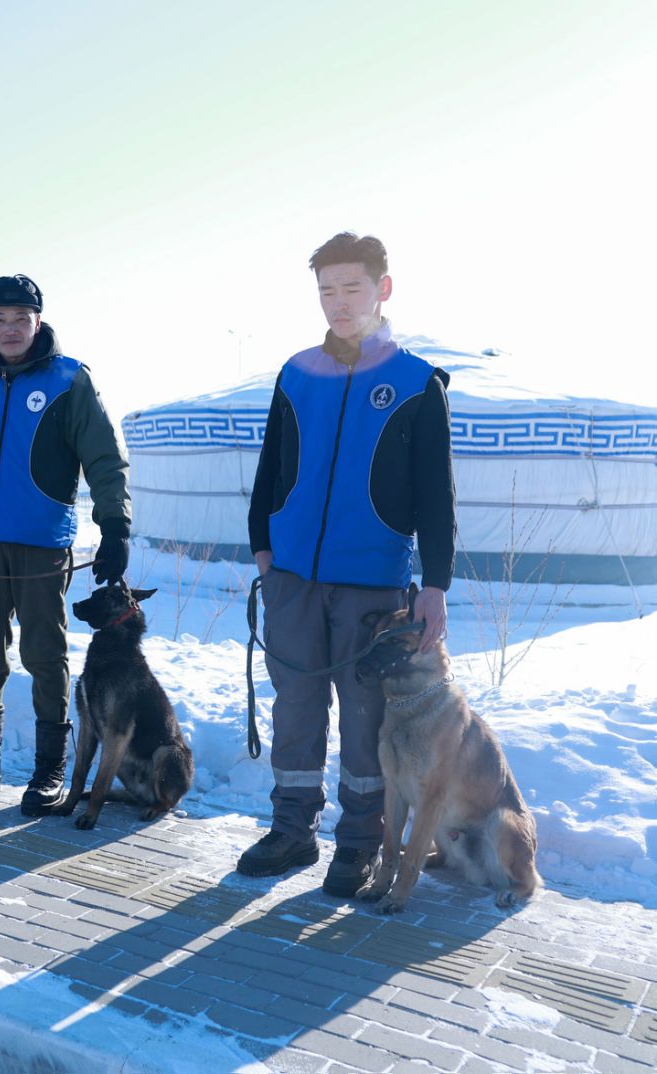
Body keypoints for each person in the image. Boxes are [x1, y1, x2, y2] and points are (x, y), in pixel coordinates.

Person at [239, 231, 455, 898]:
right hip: (294, 575)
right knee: (295, 707)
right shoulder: (297, 371)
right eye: (327, 290)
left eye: (351, 288)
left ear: (382, 289)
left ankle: (360, 843)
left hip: (372, 581)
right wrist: (263, 546)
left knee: (364, 718)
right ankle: (292, 829)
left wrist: (437, 586)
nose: (338, 302)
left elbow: (435, 494)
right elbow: (272, 466)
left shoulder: (416, 382)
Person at [0, 274, 131, 813]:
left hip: (41, 545)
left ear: (39, 321)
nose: (10, 329)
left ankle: (49, 770)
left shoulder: (70, 380)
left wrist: (115, 527)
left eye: (21, 318)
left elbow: (104, 459)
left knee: (46, 654)